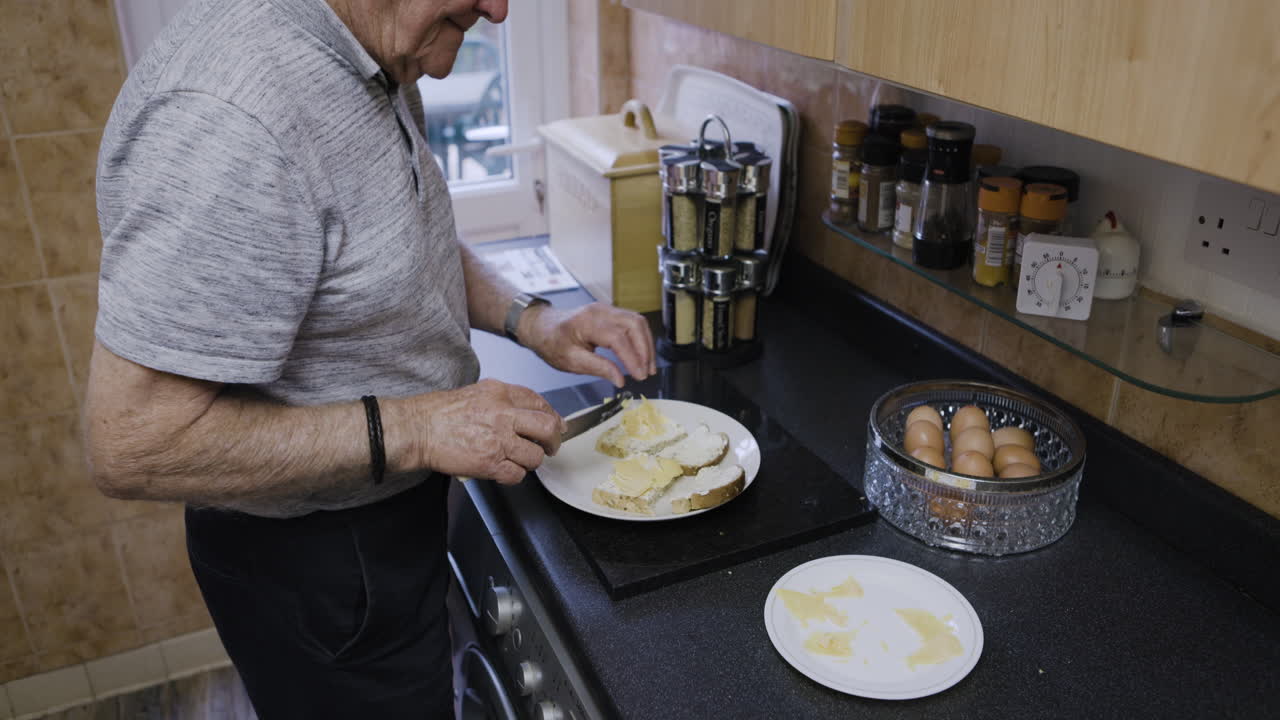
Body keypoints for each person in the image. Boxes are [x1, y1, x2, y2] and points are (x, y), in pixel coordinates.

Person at [86, 0, 655, 716]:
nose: (501, 9)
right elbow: (130, 442)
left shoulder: (372, 52)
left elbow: (394, 239)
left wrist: (532, 321)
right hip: (312, 563)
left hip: (383, 519)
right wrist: (417, 428)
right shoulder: (233, 114)